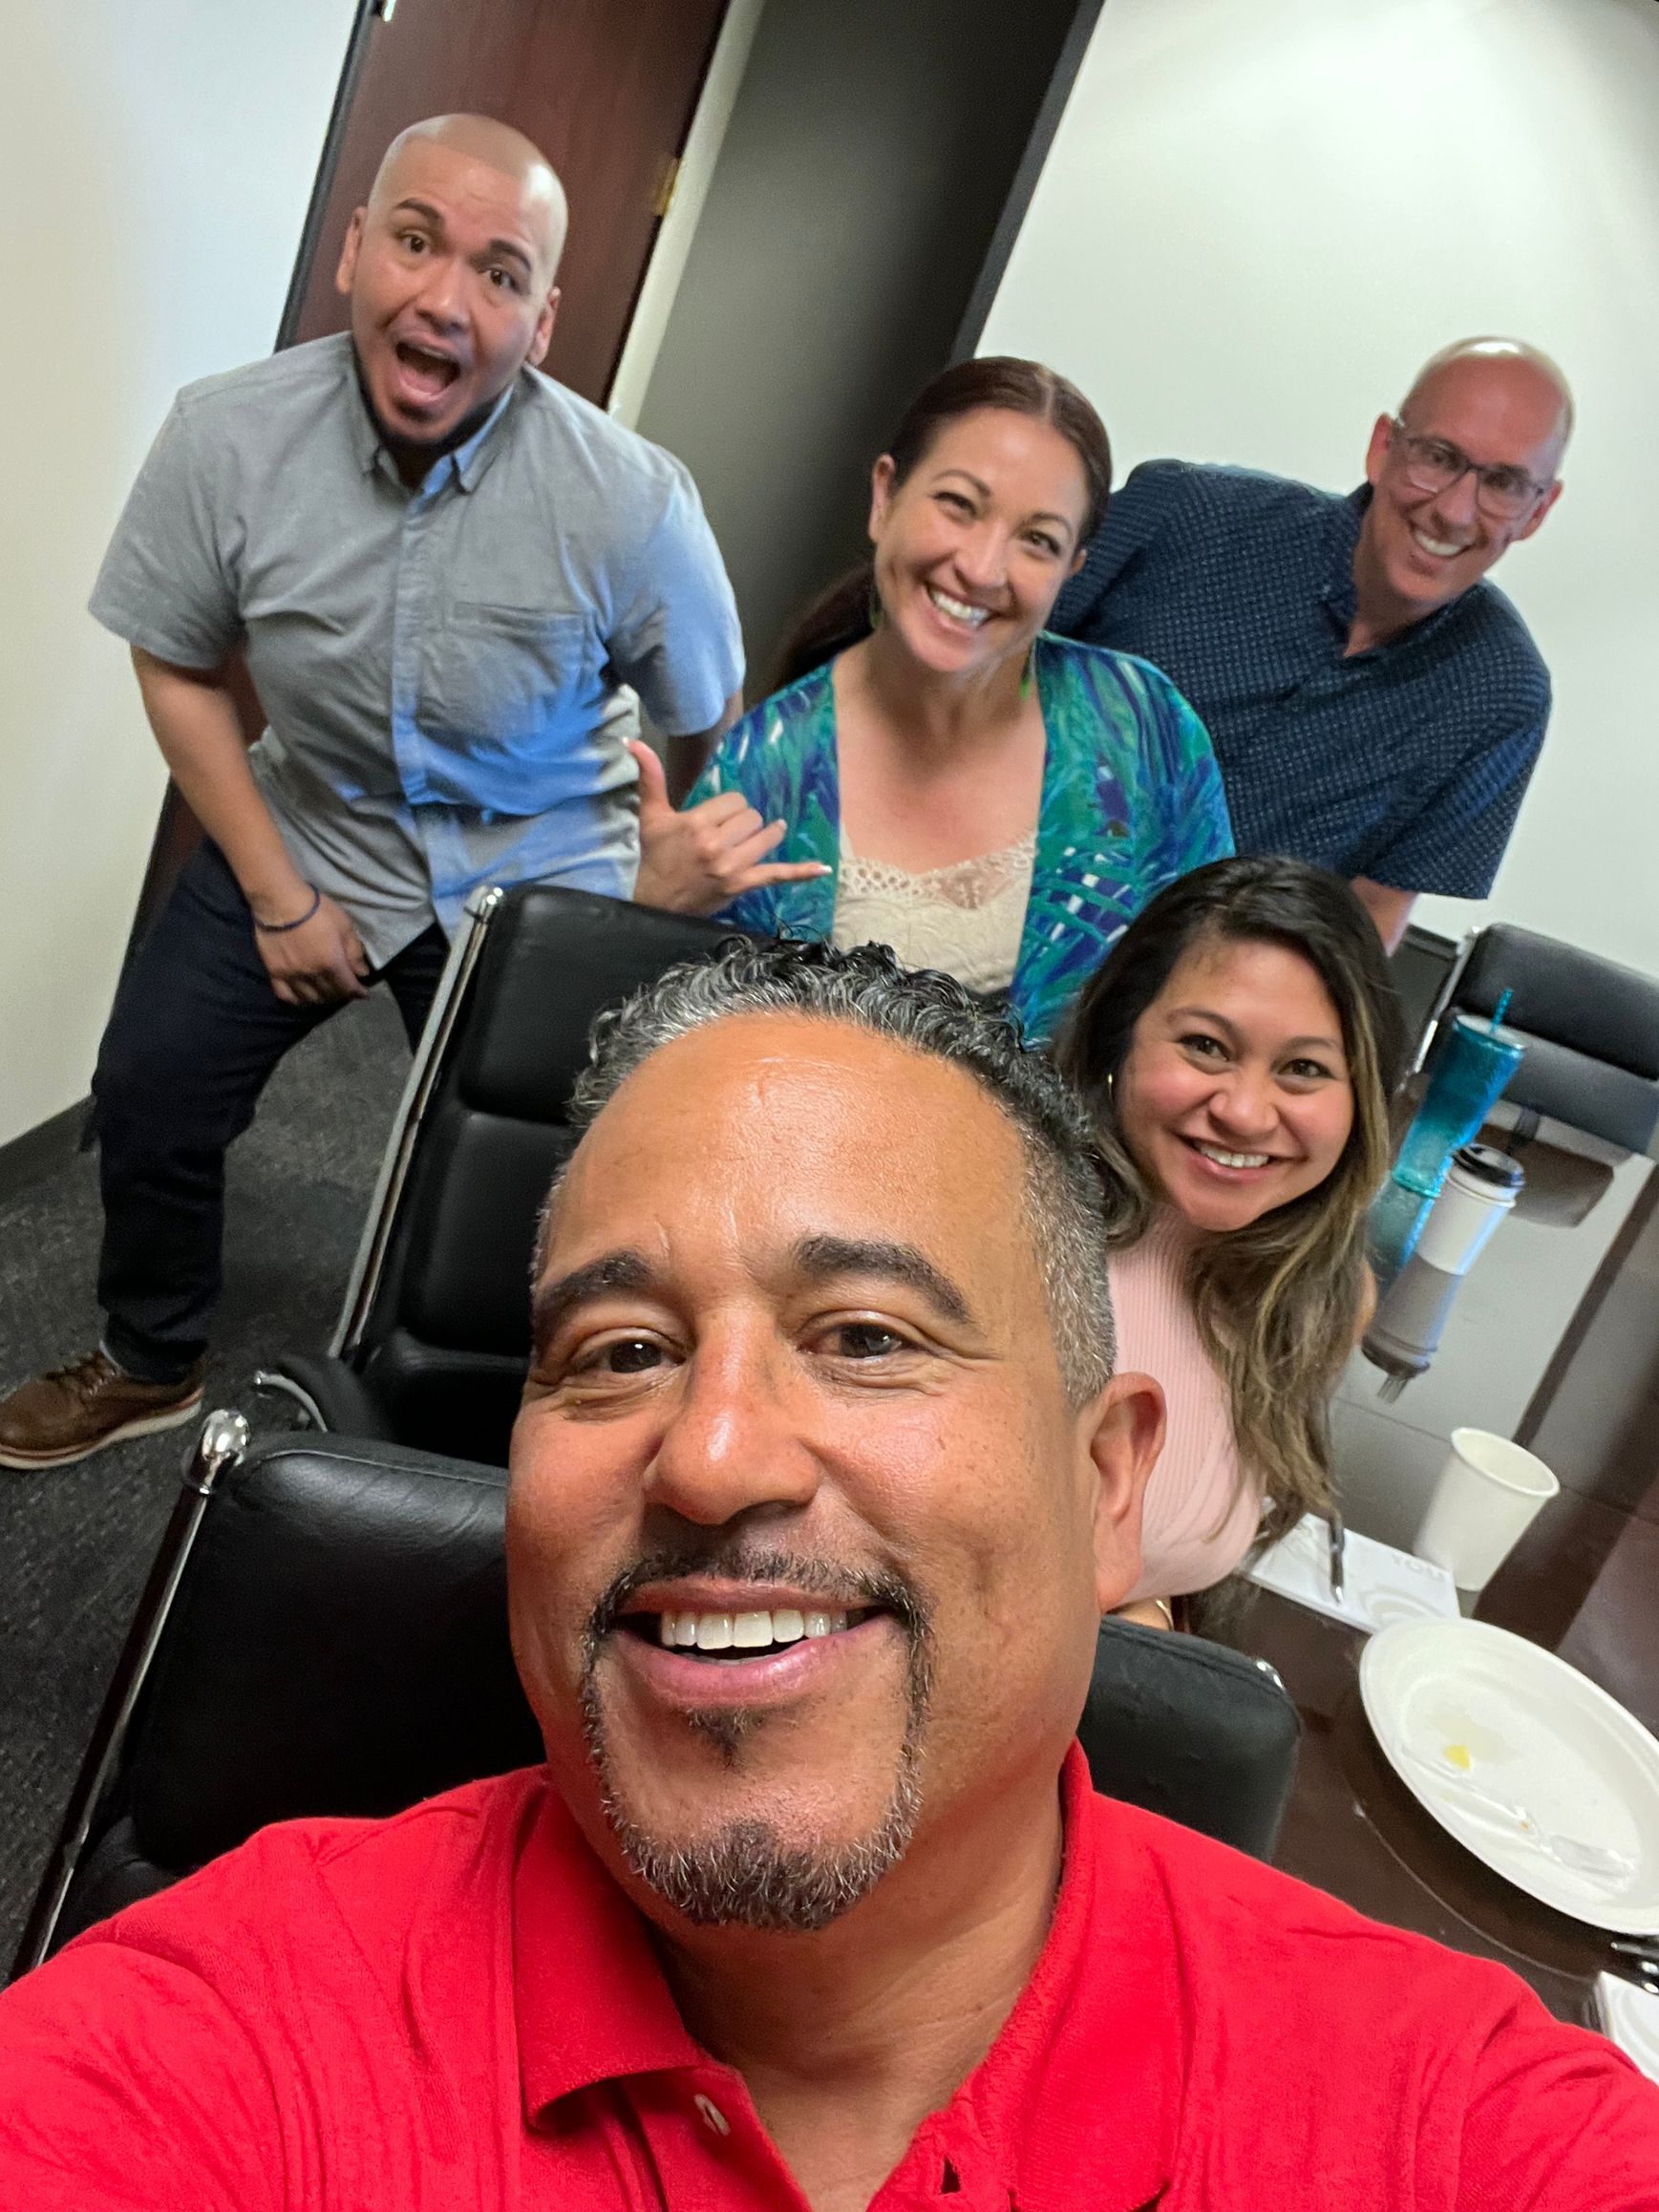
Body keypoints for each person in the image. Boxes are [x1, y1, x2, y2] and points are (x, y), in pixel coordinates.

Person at [1, 940, 1655, 2212]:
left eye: (864, 1337)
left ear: (1102, 1487)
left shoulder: (1433, 2114)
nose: (711, 1458)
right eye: (620, 1349)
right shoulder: (236, 2038)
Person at [0, 113, 742, 1472]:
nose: (445, 299)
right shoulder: (226, 439)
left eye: (499, 272)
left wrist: (658, 890)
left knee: (556, 1185)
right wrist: (279, 898)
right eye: (415, 240)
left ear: (543, 315)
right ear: (354, 246)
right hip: (315, 821)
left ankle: (523, 1424)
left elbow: (704, 718)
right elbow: (174, 664)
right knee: (151, 1084)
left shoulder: (632, 501)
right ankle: (150, 1357)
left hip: (541, 872)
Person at [630, 356, 1232, 1041]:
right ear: (885, 497)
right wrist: (651, 911)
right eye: (958, 505)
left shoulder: (1142, 728)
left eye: (1036, 540)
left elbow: (1220, 980)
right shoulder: (767, 772)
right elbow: (684, 1052)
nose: (981, 568)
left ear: (1071, 569)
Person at [1051, 337, 1572, 951]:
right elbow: (989, 657)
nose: (1456, 512)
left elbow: (1373, 913)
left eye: (1505, 483)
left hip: (1189, 1006)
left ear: (1538, 511)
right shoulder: (1184, 515)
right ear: (1383, 449)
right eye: (1438, 456)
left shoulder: (1501, 694)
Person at [1056, 858, 1404, 1623]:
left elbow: (1150, 1557)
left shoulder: (1322, 1298)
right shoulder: (1005, 1226)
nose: (1244, 1113)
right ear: (1122, 1038)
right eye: (1206, 1047)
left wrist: (1146, 1626)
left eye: (1303, 1069)